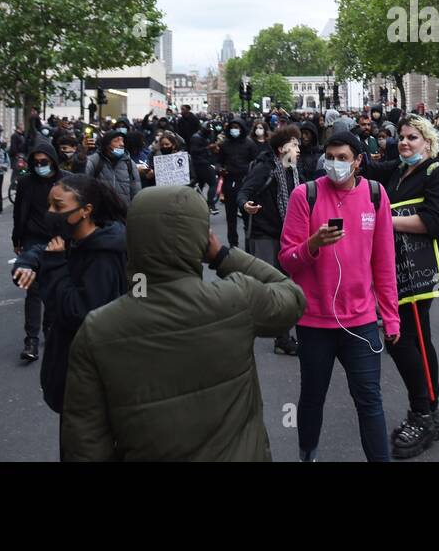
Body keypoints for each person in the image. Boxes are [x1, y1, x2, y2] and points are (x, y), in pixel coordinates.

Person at [60, 186, 306, 461]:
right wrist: (222, 255)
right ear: (201, 240)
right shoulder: (236, 299)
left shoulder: (98, 330)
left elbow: (84, 443)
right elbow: (291, 296)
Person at [279, 132, 399, 462]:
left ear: (359, 161)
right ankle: (308, 453)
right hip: (314, 322)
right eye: (329, 157)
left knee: (369, 399)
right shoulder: (306, 196)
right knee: (313, 396)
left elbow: (384, 262)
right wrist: (312, 244)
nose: (335, 164)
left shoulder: (376, 195)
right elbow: (287, 258)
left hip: (360, 322)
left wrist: (390, 317)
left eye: (343, 157)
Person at [361, 115, 439, 460]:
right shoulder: (398, 171)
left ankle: (424, 413)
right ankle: (428, 412)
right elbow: (365, 170)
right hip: (395, 269)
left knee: (405, 338)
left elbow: (435, 220)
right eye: (401, 137)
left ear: (428, 142)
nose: (404, 142)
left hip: (420, 271)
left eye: (412, 138)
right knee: (413, 339)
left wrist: (382, 221)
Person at [11, 174, 128, 425]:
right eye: (49, 205)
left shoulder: (103, 258)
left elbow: (78, 312)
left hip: (92, 385)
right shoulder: (73, 237)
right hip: (73, 378)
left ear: (86, 210)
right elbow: (44, 248)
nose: (51, 212)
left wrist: (53, 265)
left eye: (59, 207)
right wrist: (28, 263)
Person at [239, 125, 303, 355]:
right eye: (294, 145)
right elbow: (244, 192)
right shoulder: (265, 167)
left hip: (287, 234)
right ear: (281, 148)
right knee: (275, 286)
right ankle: (281, 336)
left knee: (283, 285)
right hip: (265, 234)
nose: (298, 149)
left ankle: (281, 334)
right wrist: (246, 205)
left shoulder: (293, 169)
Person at [12, 141, 63, 363]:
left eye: (45, 162)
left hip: (58, 241)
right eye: (36, 162)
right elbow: (19, 211)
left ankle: (50, 327)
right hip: (33, 240)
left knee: (53, 288)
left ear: (53, 161)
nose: (40, 165)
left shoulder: (65, 181)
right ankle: (31, 339)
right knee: (32, 289)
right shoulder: (25, 183)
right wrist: (17, 238)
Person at [217, 117, 259, 248]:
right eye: (232, 127)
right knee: (231, 216)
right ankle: (233, 244)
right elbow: (218, 162)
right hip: (229, 182)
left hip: (245, 182)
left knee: (247, 216)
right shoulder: (224, 144)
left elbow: (256, 162)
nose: (235, 130)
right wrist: (220, 170)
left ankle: (248, 243)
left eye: (237, 127)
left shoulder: (250, 144)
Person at [84, 131, 140, 208]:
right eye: (116, 141)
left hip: (122, 212)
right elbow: (83, 181)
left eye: (122, 140)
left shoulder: (129, 163)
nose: (122, 144)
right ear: (107, 144)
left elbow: (135, 189)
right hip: (100, 211)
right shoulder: (94, 160)